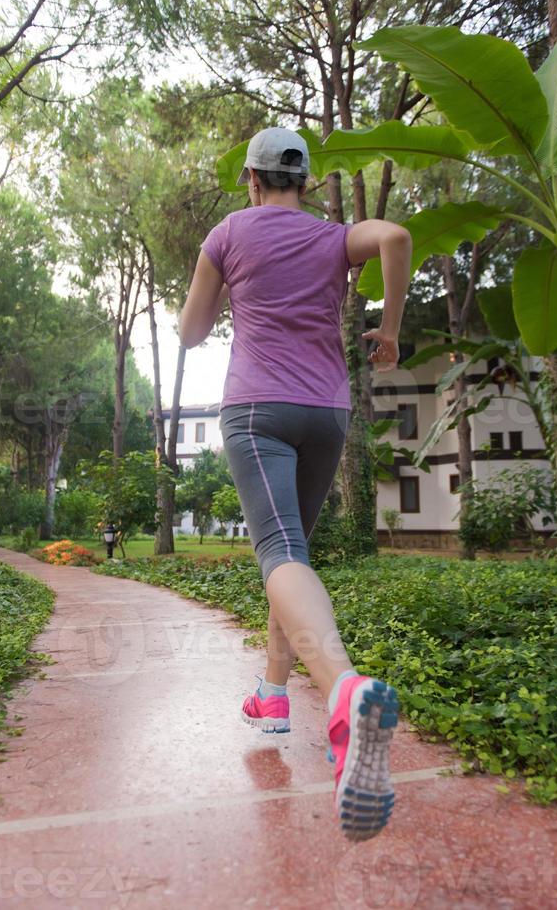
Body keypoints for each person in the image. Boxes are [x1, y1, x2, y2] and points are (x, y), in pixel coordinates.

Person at [179, 127, 412, 842]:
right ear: (305, 184)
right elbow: (398, 237)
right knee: (292, 555)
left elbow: (190, 333)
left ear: (251, 179)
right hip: (326, 414)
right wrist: (391, 330)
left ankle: (342, 691)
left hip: (258, 410)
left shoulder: (228, 232)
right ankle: (272, 698)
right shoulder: (335, 238)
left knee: (279, 555)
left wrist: (219, 300)